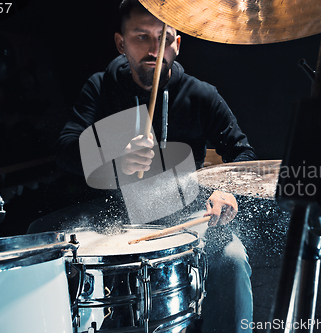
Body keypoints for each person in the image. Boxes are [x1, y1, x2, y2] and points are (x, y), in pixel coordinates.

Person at [55, 0, 257, 332]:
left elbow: (243, 154)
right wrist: (114, 156)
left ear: (177, 44)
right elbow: (64, 150)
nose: (153, 48)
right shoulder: (100, 86)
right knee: (46, 242)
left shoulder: (201, 95)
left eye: (163, 37)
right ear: (121, 43)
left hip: (188, 217)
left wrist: (226, 190)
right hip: (118, 218)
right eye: (141, 37)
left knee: (232, 258)